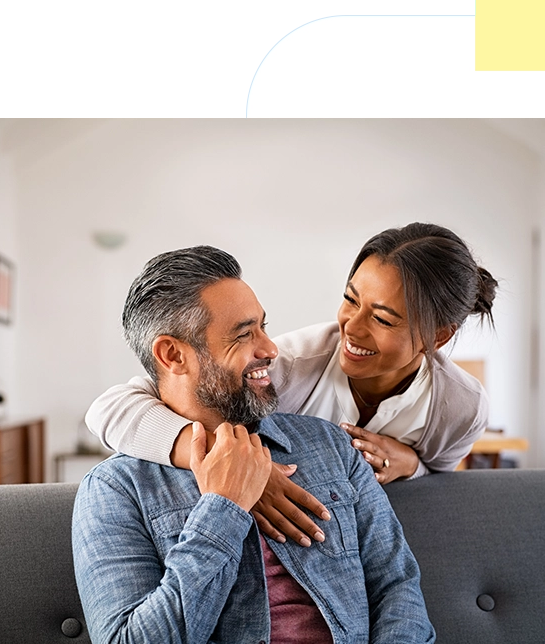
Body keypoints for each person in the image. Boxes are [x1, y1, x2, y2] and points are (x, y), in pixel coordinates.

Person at [73, 245, 435, 644]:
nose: (270, 349)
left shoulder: (332, 444)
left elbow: (398, 587)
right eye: (244, 334)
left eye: (263, 326)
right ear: (173, 354)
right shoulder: (116, 490)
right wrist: (222, 509)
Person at [86, 223, 497, 545]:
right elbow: (111, 409)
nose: (351, 328)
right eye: (350, 299)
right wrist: (233, 464)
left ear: (438, 336)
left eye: (383, 318)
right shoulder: (291, 365)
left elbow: (440, 484)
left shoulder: (461, 407)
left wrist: (413, 465)